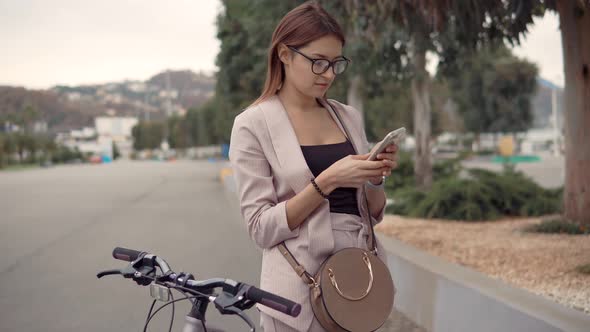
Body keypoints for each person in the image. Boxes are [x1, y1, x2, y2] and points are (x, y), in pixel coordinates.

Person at [229, 2, 398, 331]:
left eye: (336, 64)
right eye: (318, 62)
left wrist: (376, 177)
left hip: (357, 282)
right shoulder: (252, 124)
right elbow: (260, 228)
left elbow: (372, 212)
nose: (329, 74)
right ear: (285, 54)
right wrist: (327, 182)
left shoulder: (347, 117)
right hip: (294, 292)